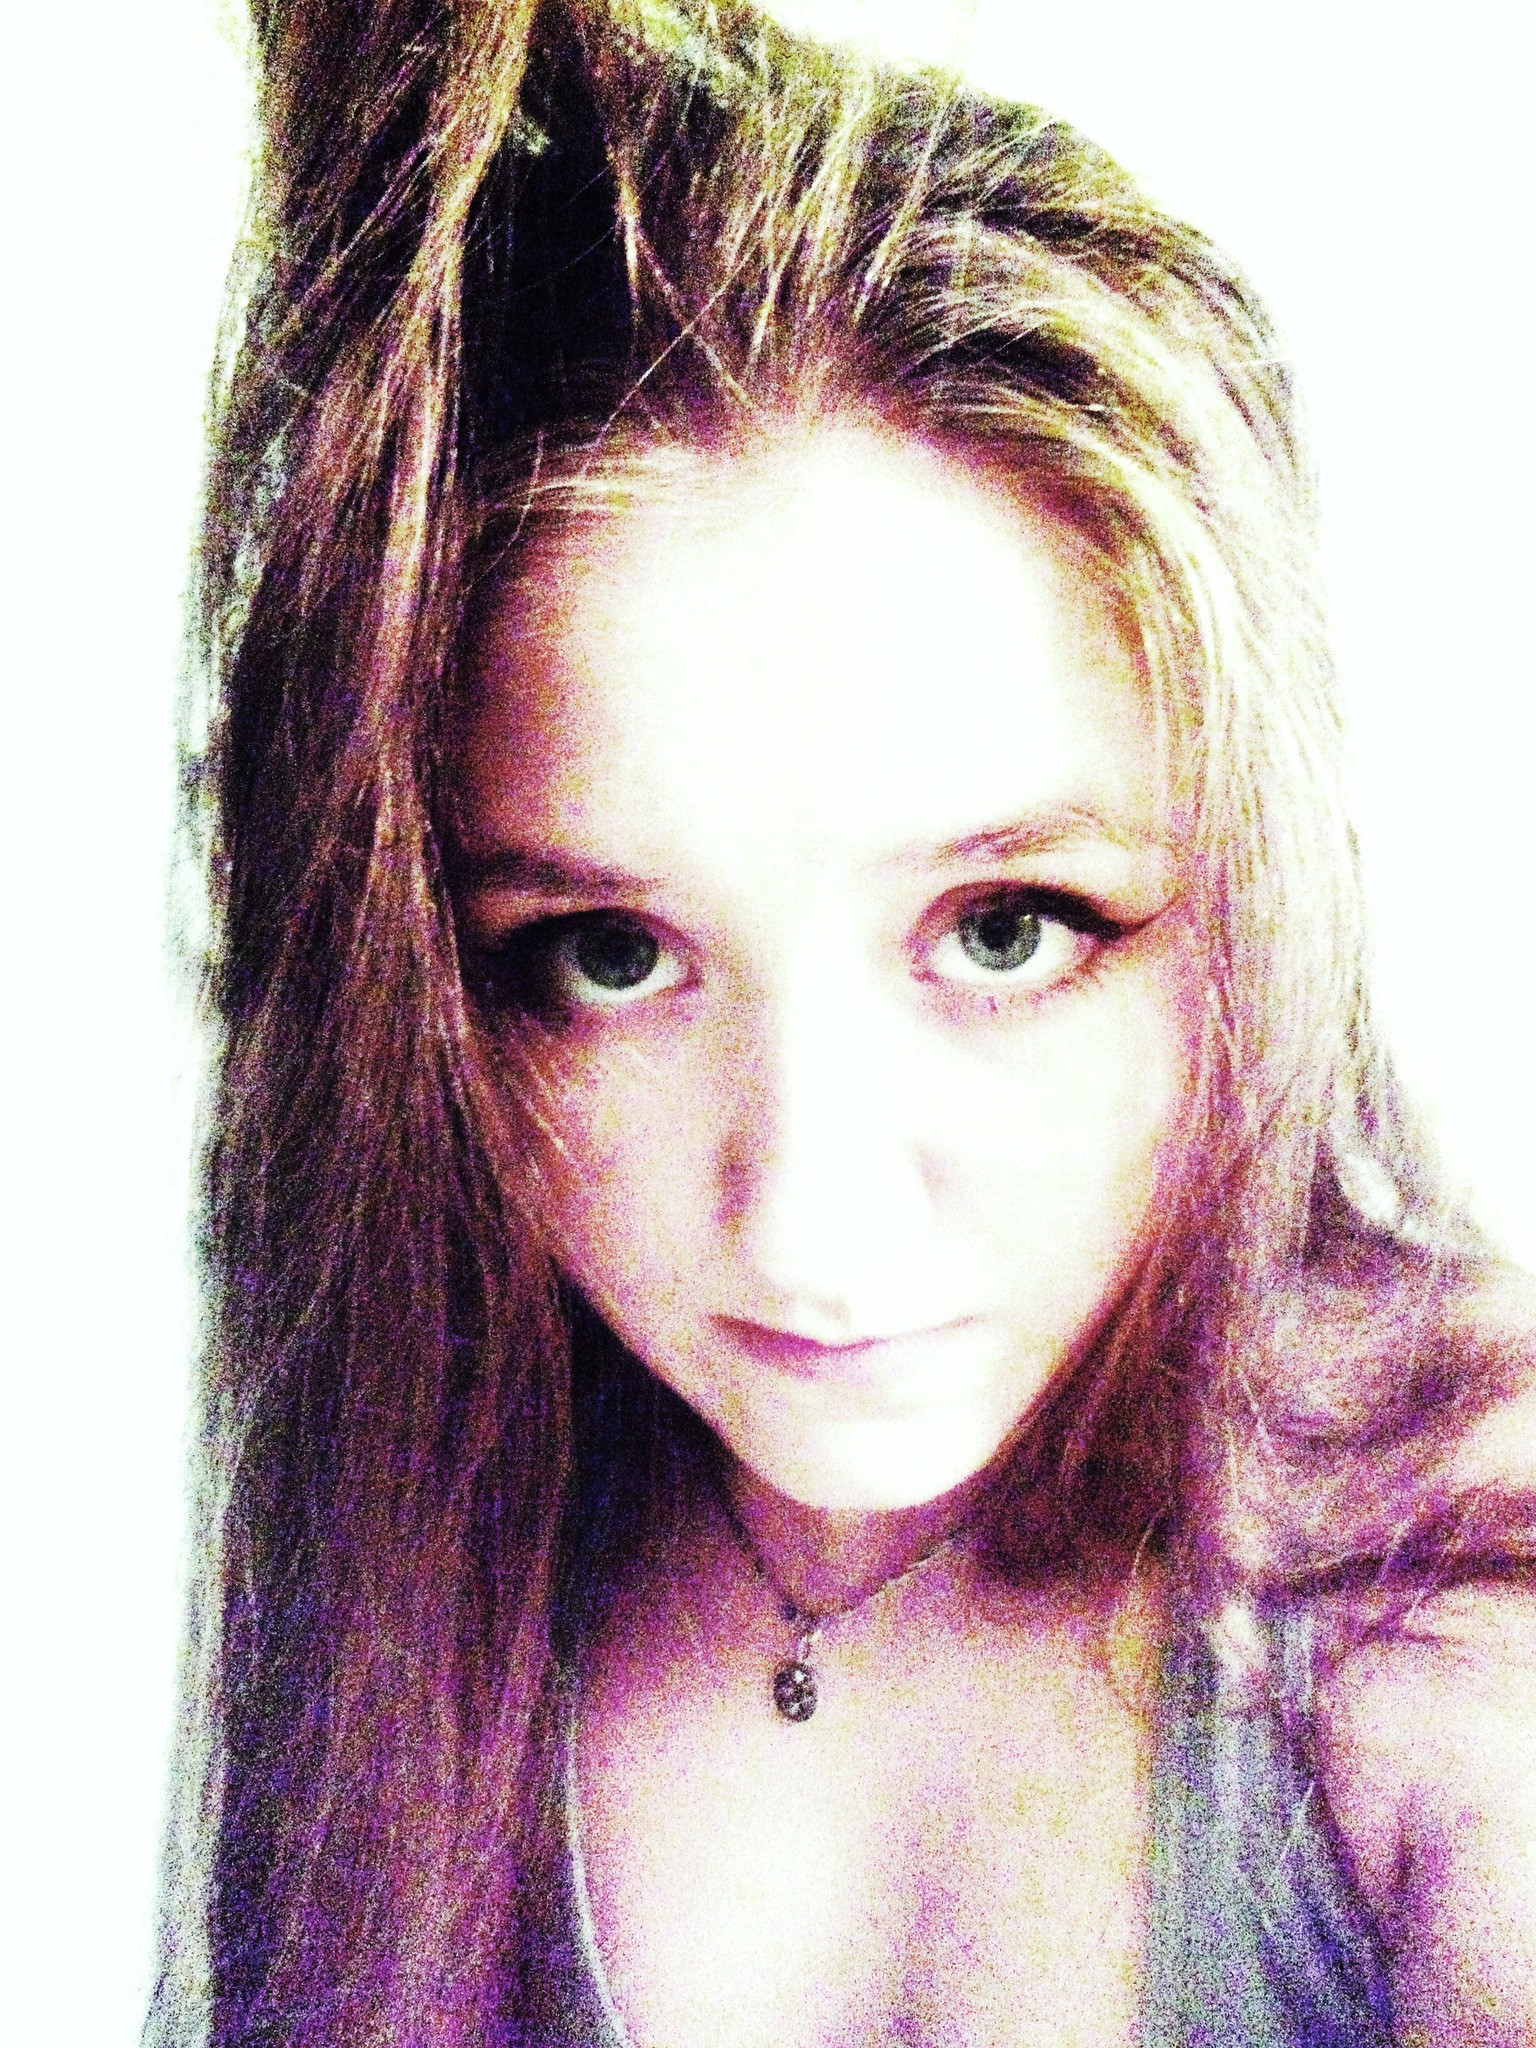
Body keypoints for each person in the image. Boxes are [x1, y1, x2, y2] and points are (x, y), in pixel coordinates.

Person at [149, 2, 1536, 2042]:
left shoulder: (1452, 1596)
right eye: (606, 957)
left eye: (1007, 931)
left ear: (1258, 886)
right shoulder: (435, 1537)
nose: (809, 1226)